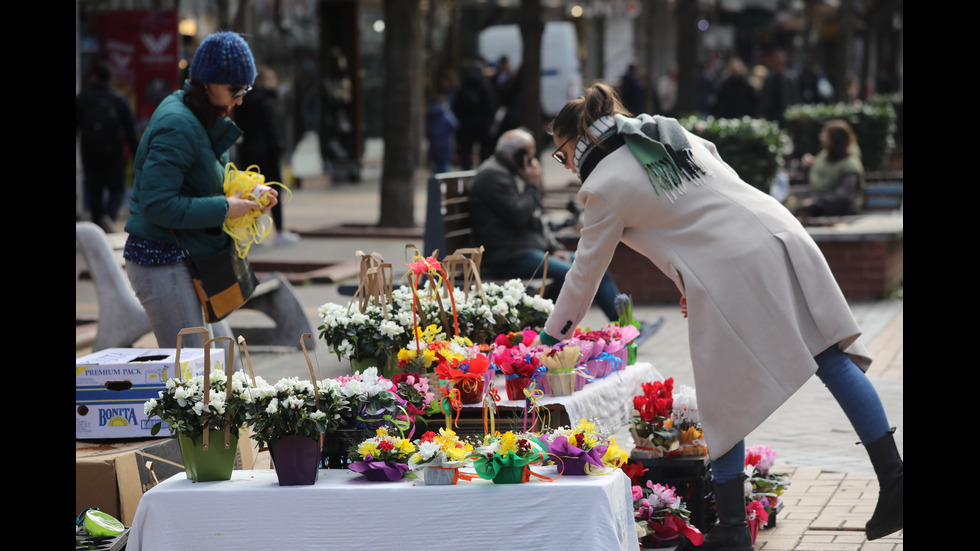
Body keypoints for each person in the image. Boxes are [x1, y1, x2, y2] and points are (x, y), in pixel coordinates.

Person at [541, 83, 902, 548]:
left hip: (735, 270)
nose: (566, 164)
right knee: (829, 358)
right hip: (777, 232)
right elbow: (699, 204)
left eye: (562, 153)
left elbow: (585, 273)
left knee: (721, 390)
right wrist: (689, 275)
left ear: (581, 139)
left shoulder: (603, 184)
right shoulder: (665, 133)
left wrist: (550, 340)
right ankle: (894, 480)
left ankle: (732, 527)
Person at [123, 32, 277, 350]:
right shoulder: (178, 124)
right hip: (161, 260)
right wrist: (225, 207)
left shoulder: (199, 114)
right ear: (207, 83)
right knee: (195, 375)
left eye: (245, 89)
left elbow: (200, 181)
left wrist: (248, 197)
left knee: (221, 359)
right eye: (235, 89)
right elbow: (157, 204)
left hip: (184, 257)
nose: (240, 99)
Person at [469, 128, 621, 322]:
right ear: (517, 154)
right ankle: (551, 326)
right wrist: (532, 185)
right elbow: (520, 215)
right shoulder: (493, 176)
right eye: (529, 156)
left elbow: (536, 219)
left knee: (594, 263)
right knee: (574, 273)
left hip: (526, 250)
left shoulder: (508, 173)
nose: (533, 162)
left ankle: (625, 325)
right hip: (508, 257)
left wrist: (554, 248)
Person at [234, 66, 299, 246]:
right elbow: (271, 128)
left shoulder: (242, 100)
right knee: (274, 192)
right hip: (266, 152)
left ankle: (254, 234)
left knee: (253, 192)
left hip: (247, 150)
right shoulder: (266, 100)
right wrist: (278, 149)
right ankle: (279, 231)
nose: (275, 83)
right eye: (272, 78)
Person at [76, 62, 139, 233]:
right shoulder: (119, 100)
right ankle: (110, 217)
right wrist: (138, 157)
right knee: (117, 190)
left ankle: (97, 227)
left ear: (94, 76)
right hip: (114, 155)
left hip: (89, 154)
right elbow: (130, 133)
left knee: (95, 191)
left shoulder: (83, 99)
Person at [797, 119, 865, 217]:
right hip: (820, 207)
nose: (821, 137)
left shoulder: (851, 165)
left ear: (835, 140)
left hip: (843, 212)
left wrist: (815, 202)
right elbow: (816, 180)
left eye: (826, 135)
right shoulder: (824, 155)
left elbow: (844, 196)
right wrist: (807, 167)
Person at [453, 63, 496, 170]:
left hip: (466, 125)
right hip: (482, 124)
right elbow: (490, 106)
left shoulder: (464, 86)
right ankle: (484, 169)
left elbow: (457, 106)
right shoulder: (484, 86)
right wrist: (490, 121)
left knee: (466, 149)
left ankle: (466, 170)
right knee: (485, 150)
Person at [425, 93, 460, 175]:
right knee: (445, 167)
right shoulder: (445, 114)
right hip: (445, 145)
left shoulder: (431, 114)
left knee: (437, 166)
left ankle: (436, 184)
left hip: (434, 145)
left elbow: (428, 131)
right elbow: (455, 125)